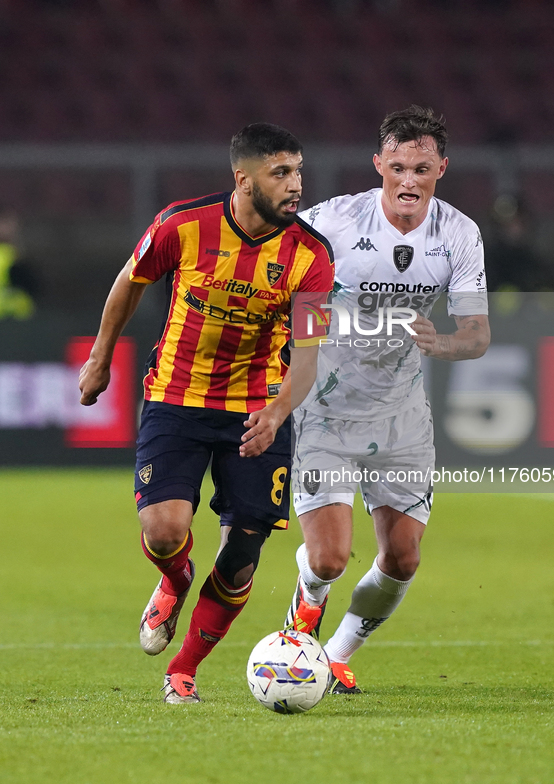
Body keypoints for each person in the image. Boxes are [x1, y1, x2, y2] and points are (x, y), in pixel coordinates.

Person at [79, 123, 334, 703]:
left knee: (242, 557)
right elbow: (131, 279)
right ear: (243, 179)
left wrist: (276, 413)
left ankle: (183, 670)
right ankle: (175, 579)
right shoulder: (183, 224)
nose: (296, 185)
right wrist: (100, 360)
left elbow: (312, 354)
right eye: (281, 173)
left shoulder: (312, 254)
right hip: (176, 397)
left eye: (298, 171)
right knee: (166, 531)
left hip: (256, 410)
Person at [284, 105, 490, 693]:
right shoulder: (334, 222)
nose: (408, 180)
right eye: (397, 166)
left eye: (421, 169)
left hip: (401, 414)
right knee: (327, 559)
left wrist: (442, 343)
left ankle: (336, 654)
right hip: (325, 403)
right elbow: (283, 274)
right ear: (378, 164)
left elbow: (476, 336)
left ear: (441, 169)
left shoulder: (458, 233)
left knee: (402, 559)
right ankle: (306, 602)